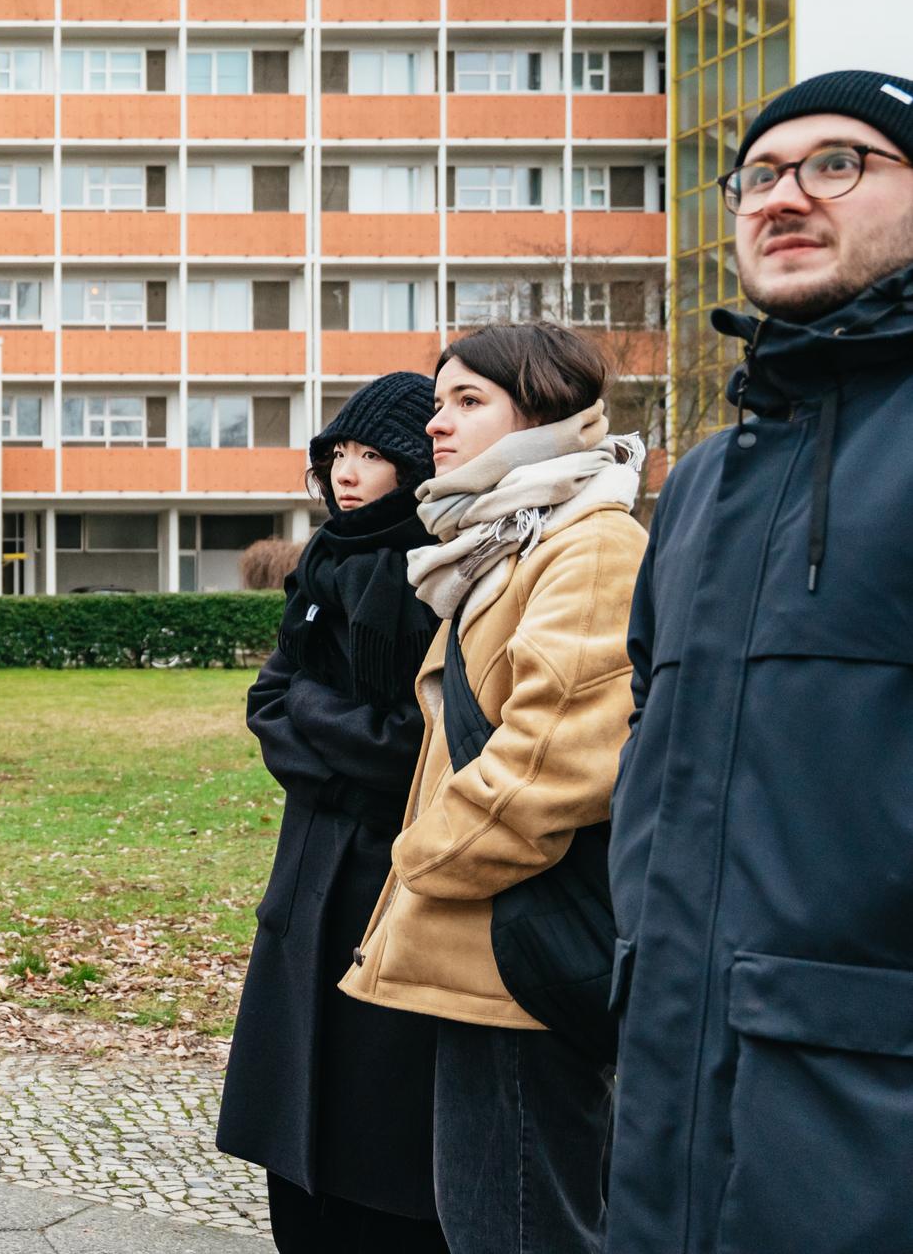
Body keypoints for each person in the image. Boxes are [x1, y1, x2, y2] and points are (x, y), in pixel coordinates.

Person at [607, 72, 913, 1254]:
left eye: (839, 162)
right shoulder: (699, 483)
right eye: (760, 174)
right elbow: (651, 734)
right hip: (676, 1083)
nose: (785, 196)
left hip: (865, 1124)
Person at [339, 323, 646, 1254]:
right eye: (439, 402)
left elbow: (554, 760)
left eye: (468, 401)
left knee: (514, 1228)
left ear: (545, 410)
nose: (437, 424)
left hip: (522, 951)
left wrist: (420, 859)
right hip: (484, 947)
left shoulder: (588, 543)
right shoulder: (499, 541)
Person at [217, 372, 449, 1254]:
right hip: (308, 864)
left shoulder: (430, 565)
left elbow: (413, 745)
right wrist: (317, 727)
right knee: (295, 1128)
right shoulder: (325, 558)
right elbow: (268, 700)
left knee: (372, 1118)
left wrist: (313, 725)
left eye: (372, 455)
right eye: (337, 455)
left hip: (385, 873)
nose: (348, 474)